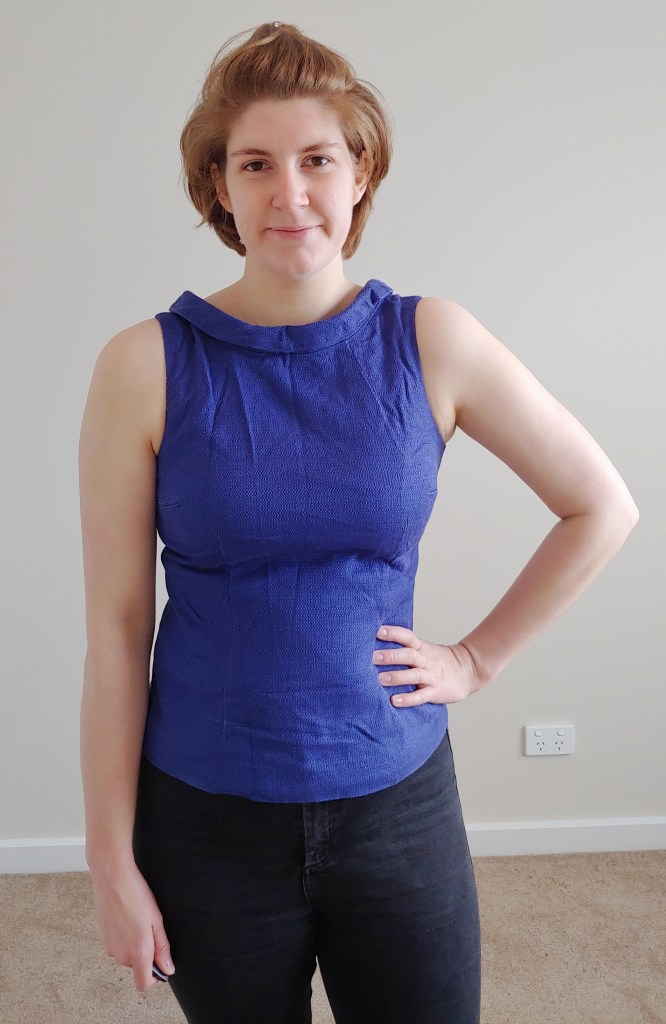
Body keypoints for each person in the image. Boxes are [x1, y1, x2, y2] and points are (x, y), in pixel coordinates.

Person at [78, 20, 638, 1024]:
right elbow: (118, 630)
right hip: (204, 819)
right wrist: (108, 859)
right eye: (256, 164)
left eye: (318, 159)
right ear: (217, 186)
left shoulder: (432, 340)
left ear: (361, 173)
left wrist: (475, 659)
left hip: (397, 807)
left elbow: (602, 503)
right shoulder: (144, 366)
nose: (290, 193)